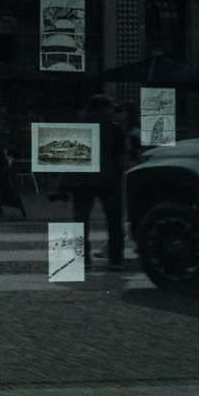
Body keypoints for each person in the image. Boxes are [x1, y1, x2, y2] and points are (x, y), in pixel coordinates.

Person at [69, 93, 128, 270]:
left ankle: (83, 258)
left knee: (80, 219)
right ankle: (116, 259)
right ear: (105, 108)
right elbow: (120, 157)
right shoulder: (115, 127)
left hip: (82, 177)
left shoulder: (77, 124)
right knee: (114, 219)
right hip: (109, 177)